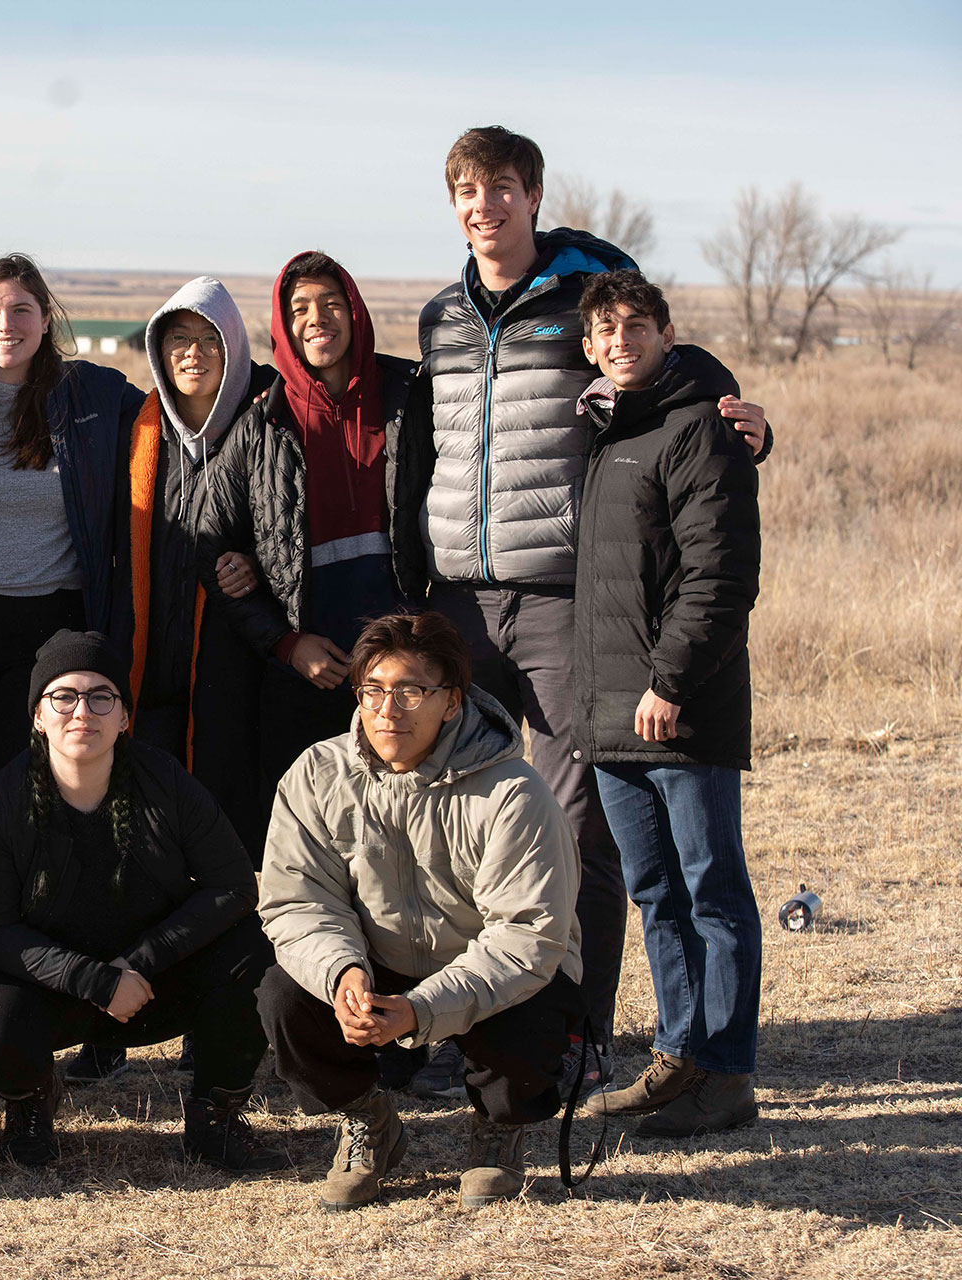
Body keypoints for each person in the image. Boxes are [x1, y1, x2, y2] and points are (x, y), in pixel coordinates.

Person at [397, 127, 772, 1094]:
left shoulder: (583, 294)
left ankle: (575, 1032)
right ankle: (464, 1024)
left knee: (576, 825)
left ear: (534, 197)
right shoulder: (441, 316)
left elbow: (663, 360)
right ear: (453, 206)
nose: (485, 207)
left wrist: (737, 408)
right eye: (467, 192)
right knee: (457, 820)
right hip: (461, 601)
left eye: (503, 189)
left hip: (566, 599)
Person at [255, 611, 584, 1211]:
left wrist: (422, 1009)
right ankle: (369, 1122)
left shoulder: (514, 793)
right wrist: (342, 975)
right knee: (284, 994)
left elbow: (526, 939)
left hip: (487, 967)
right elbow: (297, 901)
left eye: (411, 691)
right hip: (376, 963)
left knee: (538, 1002)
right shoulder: (316, 774)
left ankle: (498, 1133)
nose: (388, 710)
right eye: (373, 690)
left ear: (452, 702)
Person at [0, 630, 287, 1174]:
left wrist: (136, 964)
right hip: (53, 992)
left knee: (255, 951)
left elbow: (234, 886)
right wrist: (93, 980)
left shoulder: (165, 782)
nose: (82, 710)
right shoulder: (1, 800)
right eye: (63, 696)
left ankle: (214, 1117)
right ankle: (32, 1100)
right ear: (38, 716)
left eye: (101, 696)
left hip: (154, 984)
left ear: (125, 716)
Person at [569, 271, 763, 1137]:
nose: (621, 340)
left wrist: (670, 684)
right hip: (613, 716)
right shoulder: (610, 434)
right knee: (655, 891)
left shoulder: (703, 429)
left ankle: (725, 1074)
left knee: (711, 890)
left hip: (677, 710)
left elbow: (720, 575)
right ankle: (679, 1056)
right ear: (589, 348)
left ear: (667, 333)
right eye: (605, 330)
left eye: (635, 326)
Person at [76, 276, 269, 1089]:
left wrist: (253, 568)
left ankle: (208, 1011)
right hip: (142, 676)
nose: (192, 356)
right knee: (126, 856)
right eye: (177, 342)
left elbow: (284, 530)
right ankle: (108, 1020)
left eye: (207, 342)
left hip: (229, 686)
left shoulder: (261, 428)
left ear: (233, 350)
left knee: (221, 859)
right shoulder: (138, 428)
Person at [0, 255, 145, 823]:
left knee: (38, 793)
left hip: (55, 628)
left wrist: (254, 394)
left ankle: (43, 909)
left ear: (45, 320)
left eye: (21, 309)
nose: (5, 324)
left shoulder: (91, 399)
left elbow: (174, 422)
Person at [196, 251, 420, 819]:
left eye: (330, 303)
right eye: (299, 309)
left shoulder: (408, 398)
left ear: (356, 312)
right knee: (312, 836)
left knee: (404, 832)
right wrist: (286, 645)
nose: (317, 318)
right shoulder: (261, 423)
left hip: (405, 672)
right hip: (307, 676)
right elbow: (208, 544)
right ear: (283, 326)